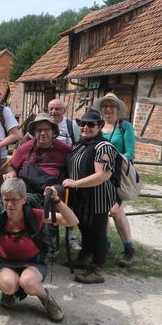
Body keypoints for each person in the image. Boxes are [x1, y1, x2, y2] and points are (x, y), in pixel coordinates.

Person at [0, 178, 79, 321]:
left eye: (14, 200)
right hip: (6, 262)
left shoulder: (35, 214)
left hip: (33, 263)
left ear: (24, 199)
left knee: (28, 282)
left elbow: (72, 221)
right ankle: (8, 294)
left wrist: (57, 200)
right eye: (6, 200)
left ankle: (46, 299)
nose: (9, 204)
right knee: (8, 284)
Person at [63, 109, 119, 284]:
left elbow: (102, 175)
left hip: (98, 196)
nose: (85, 127)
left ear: (100, 126)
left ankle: (97, 269)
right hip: (82, 197)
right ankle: (85, 257)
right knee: (85, 228)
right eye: (82, 124)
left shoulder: (104, 147)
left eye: (90, 124)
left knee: (98, 232)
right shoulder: (81, 144)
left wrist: (75, 183)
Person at [92, 92, 136, 267]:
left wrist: (110, 158)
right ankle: (105, 245)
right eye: (105, 106)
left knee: (116, 210)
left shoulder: (125, 127)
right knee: (102, 211)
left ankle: (129, 250)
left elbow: (130, 153)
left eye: (111, 106)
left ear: (117, 109)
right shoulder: (98, 126)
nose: (108, 109)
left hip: (116, 176)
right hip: (98, 176)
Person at [3, 114, 71, 208]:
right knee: (13, 189)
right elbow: (11, 166)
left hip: (52, 186)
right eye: (39, 130)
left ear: (53, 132)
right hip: (27, 186)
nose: (43, 133)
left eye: (47, 129)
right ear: (34, 132)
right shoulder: (24, 148)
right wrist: (12, 173)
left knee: (53, 192)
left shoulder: (65, 149)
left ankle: (49, 221)